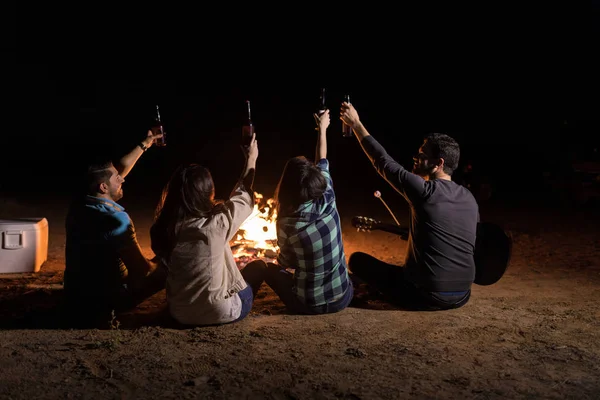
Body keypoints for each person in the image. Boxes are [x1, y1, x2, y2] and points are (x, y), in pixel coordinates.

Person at [340, 102, 479, 310]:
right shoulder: (469, 198)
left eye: (422, 155)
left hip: (425, 296)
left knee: (358, 261)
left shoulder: (425, 191)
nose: (415, 157)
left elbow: (382, 162)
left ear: (438, 163)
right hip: (462, 296)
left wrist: (357, 124)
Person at [149, 133, 266, 326]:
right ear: (208, 193)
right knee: (259, 267)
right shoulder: (216, 225)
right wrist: (251, 158)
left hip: (179, 312)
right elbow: (243, 196)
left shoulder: (163, 229)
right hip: (220, 312)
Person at [64, 130, 167, 325]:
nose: (122, 179)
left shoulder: (79, 203)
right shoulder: (115, 219)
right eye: (116, 178)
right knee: (169, 268)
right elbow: (142, 270)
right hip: (105, 301)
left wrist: (145, 143)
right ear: (103, 187)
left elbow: (118, 169)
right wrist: (166, 259)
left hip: (75, 296)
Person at [263, 109, 354, 314]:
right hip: (344, 296)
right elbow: (322, 158)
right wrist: (322, 128)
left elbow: (286, 262)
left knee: (268, 269)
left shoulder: (286, 223)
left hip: (309, 305)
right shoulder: (328, 196)